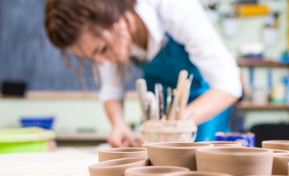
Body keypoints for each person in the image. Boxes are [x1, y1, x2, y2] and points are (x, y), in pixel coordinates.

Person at [44, 0, 242, 147]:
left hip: (206, 103)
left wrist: (176, 124)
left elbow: (229, 85)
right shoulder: (109, 33)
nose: (102, 62)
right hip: (163, 111)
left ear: (118, 21)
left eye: (101, 50)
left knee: (198, 169)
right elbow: (112, 90)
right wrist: (119, 125)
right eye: (93, 58)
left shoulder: (173, 7)